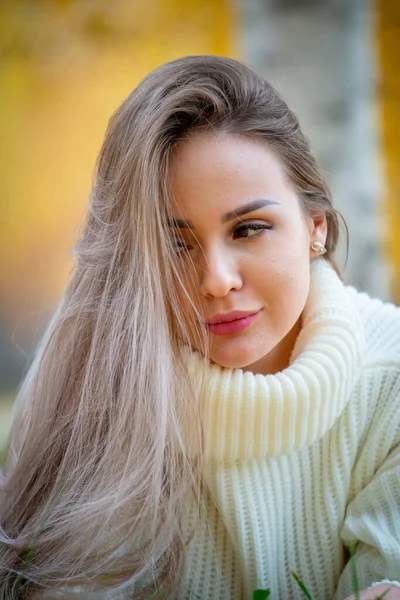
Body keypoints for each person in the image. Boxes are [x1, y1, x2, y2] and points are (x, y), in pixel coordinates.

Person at [0, 55, 399, 600]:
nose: (215, 280)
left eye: (250, 228)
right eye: (175, 243)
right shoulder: (103, 393)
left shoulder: (392, 381)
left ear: (315, 227)